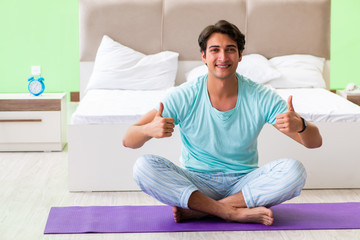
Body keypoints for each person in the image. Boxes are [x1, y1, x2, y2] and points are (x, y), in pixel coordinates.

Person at [123, 20, 322, 226]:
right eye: (215, 50)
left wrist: (301, 125)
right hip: (197, 181)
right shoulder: (185, 95)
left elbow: (314, 142)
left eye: (230, 50)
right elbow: (129, 139)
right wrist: (148, 129)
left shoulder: (260, 95)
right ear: (204, 56)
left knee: (294, 171)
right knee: (143, 167)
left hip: (244, 183)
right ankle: (231, 212)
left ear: (240, 55)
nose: (223, 57)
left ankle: (203, 210)